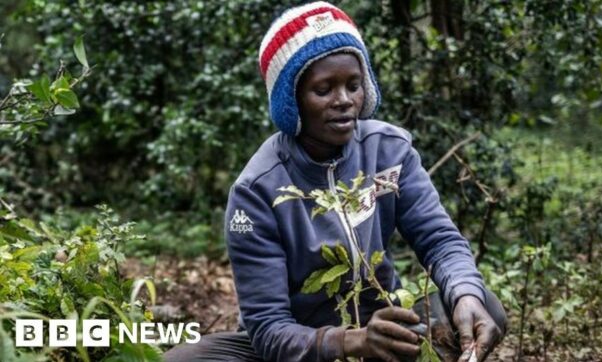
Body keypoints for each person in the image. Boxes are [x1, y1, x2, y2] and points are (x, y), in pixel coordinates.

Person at [164, 2, 505, 361]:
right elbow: (267, 326)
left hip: (382, 330)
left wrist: (465, 293)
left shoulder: (388, 151)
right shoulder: (257, 190)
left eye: (353, 85)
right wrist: (350, 342)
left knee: (483, 308)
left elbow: (438, 239)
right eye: (323, 89)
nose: (344, 101)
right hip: (298, 345)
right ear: (291, 101)